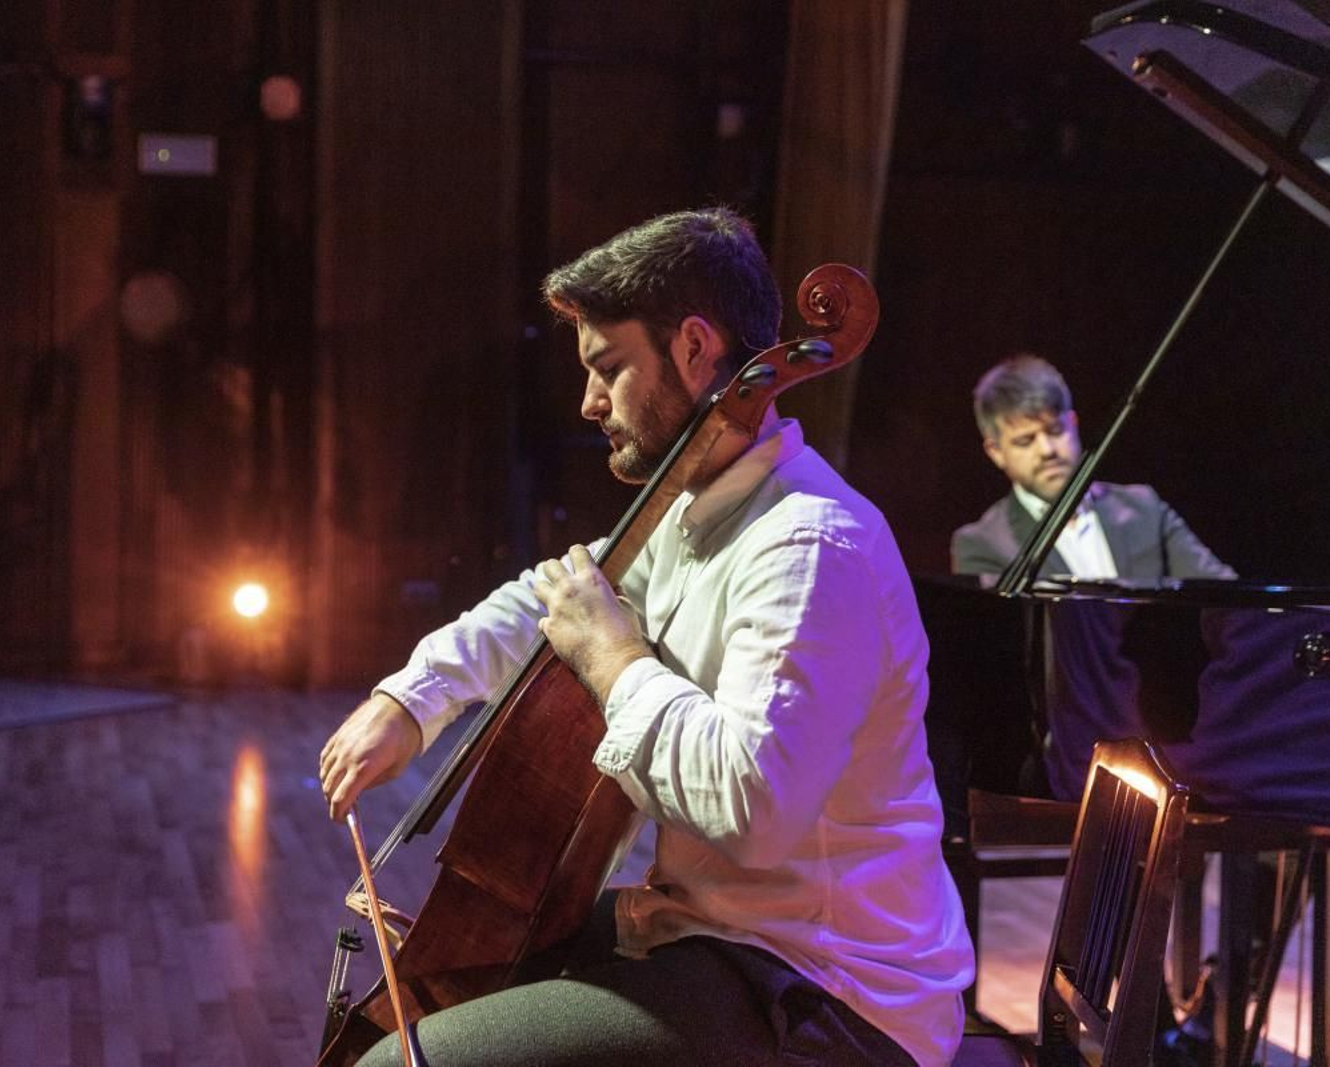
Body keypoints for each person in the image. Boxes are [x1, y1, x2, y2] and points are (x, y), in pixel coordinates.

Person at [318, 208, 973, 1067]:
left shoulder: (809, 547)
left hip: (826, 995)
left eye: (608, 368)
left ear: (697, 350)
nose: (588, 402)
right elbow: (550, 597)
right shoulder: (695, 508)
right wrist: (410, 698)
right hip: (719, 934)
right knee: (471, 970)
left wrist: (616, 659)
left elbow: (753, 811)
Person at [951, 354, 1234, 581]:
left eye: (1055, 430)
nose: (1047, 450)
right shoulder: (982, 545)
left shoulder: (1144, 508)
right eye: (1026, 441)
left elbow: (1225, 599)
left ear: (1073, 424)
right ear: (996, 452)